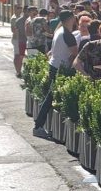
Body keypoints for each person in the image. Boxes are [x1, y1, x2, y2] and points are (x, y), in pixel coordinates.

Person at [32, 10, 79, 138]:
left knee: (51, 97)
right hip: (60, 68)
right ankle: (38, 126)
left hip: (54, 65)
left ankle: (42, 125)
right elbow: (75, 54)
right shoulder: (67, 34)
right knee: (51, 98)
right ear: (71, 18)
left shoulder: (59, 30)